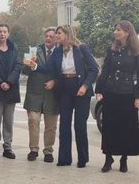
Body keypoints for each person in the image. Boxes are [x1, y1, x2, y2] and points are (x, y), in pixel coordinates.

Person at [36, 25, 98, 168]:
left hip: (80, 88)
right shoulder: (57, 51)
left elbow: (94, 69)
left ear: (67, 34)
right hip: (64, 88)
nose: (56, 36)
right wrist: (34, 66)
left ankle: (83, 158)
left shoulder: (81, 48)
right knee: (64, 125)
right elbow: (48, 68)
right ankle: (64, 158)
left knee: (80, 125)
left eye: (59, 33)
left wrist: (85, 86)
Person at [95, 21, 139, 172]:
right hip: (111, 92)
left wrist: (137, 96)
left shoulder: (135, 51)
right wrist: (99, 89)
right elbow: (106, 69)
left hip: (127, 93)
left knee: (126, 127)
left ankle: (124, 159)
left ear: (127, 32)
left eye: (118, 30)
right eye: (115, 29)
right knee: (109, 126)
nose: (115, 32)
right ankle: (108, 158)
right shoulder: (111, 49)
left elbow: (138, 74)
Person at [22, 27, 59, 163]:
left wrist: (54, 81)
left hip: (52, 94)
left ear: (56, 39)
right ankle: (33, 149)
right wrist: (28, 65)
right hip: (34, 92)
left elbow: (64, 72)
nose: (48, 38)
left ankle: (48, 150)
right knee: (33, 120)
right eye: (46, 36)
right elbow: (24, 70)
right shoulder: (35, 50)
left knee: (51, 125)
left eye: (51, 36)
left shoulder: (60, 52)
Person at [0, 24, 21, 159]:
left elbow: (18, 66)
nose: (2, 34)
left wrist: (9, 82)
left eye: (4, 32)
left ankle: (7, 147)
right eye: (0, 32)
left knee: (8, 119)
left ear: (8, 33)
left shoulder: (14, 48)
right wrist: (0, 82)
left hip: (11, 88)